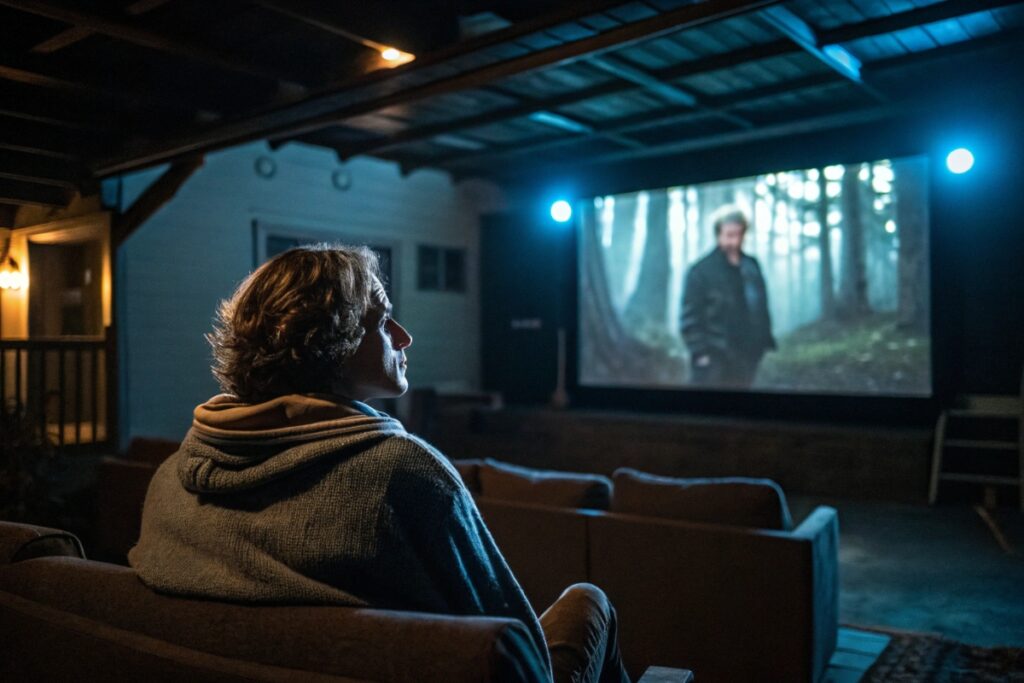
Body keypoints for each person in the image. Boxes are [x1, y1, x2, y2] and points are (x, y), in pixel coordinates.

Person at [129, 244, 630, 683]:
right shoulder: (405, 475)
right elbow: (520, 654)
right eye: (382, 319)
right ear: (332, 338)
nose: (404, 336)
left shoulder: (171, 479)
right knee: (590, 603)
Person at [681, 207, 775, 389]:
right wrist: (700, 352)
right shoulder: (701, 271)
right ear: (718, 234)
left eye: (739, 234)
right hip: (714, 354)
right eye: (729, 235)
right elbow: (690, 316)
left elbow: (760, 305)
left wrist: (762, 342)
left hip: (747, 353)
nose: (735, 240)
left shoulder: (751, 266)